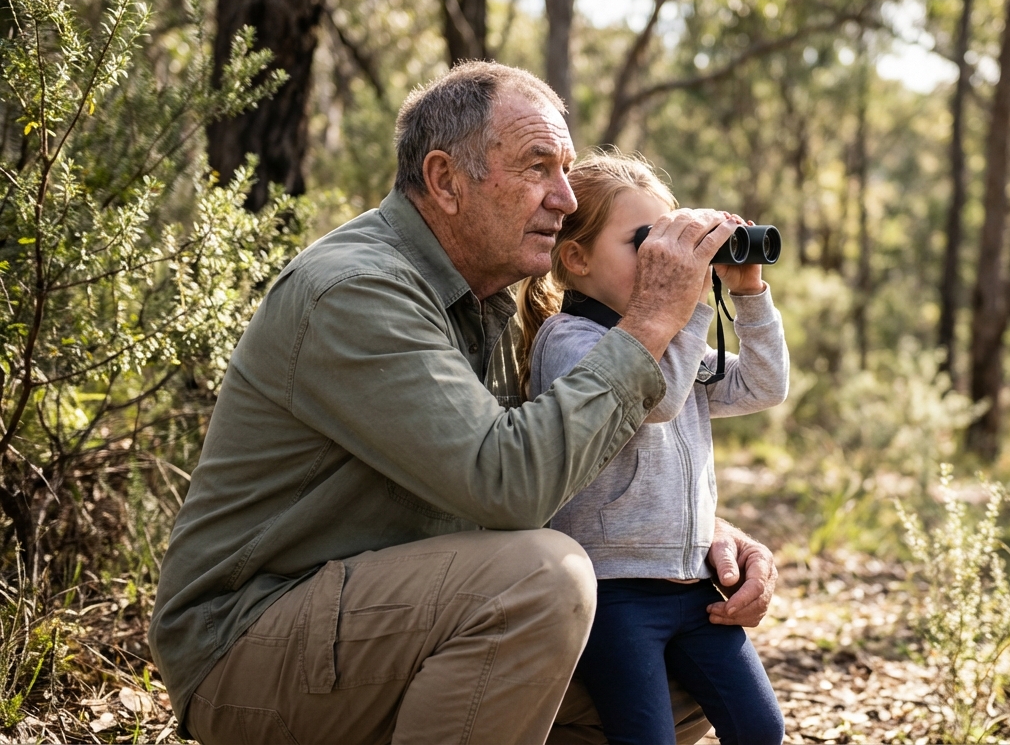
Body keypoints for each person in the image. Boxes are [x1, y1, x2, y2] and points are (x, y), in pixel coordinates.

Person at [148, 61, 778, 745]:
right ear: (446, 180)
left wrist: (700, 529)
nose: (565, 198)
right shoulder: (357, 291)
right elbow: (508, 484)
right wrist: (654, 318)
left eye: (567, 170)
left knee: (677, 672)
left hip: (384, 627)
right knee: (541, 579)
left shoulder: (492, 302)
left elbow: (551, 461)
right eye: (539, 167)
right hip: (250, 646)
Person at [518, 152, 788, 744]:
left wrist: (748, 291)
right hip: (614, 594)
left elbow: (764, 385)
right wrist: (684, 301)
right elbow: (656, 397)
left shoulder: (677, 349)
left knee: (761, 729)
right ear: (576, 258)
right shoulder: (568, 341)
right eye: (648, 242)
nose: (669, 258)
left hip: (692, 585)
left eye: (676, 240)